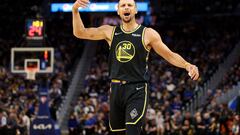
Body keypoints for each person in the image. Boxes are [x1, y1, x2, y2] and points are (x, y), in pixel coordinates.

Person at [72, 0, 199, 134]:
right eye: (123, 5)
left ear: (136, 10)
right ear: (118, 11)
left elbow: (169, 55)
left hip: (136, 90)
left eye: (129, 5)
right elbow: (80, 32)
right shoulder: (109, 31)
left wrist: (187, 65)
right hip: (116, 89)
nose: (126, 7)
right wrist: (75, 10)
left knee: (133, 131)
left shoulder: (148, 33)